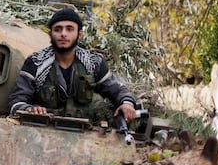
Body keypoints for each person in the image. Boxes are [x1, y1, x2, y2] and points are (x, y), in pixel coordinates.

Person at [8, 8, 138, 123]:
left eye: (69, 29)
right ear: (50, 34)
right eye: (58, 29)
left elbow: (117, 90)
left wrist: (127, 104)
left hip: (87, 131)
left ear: (79, 34)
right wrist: (30, 109)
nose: (63, 34)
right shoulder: (35, 63)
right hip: (45, 129)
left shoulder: (94, 63)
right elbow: (16, 102)